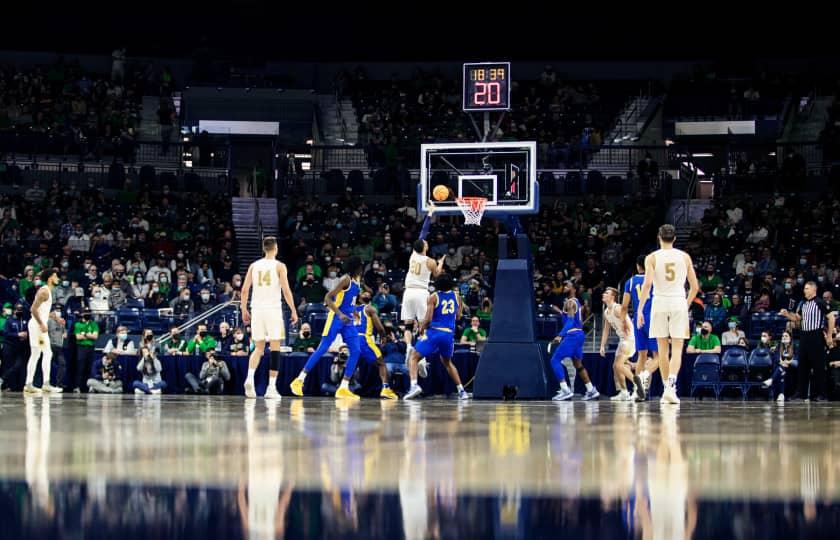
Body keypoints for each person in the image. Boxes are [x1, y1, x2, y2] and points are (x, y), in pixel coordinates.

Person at [637, 224, 700, 405]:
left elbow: (647, 285)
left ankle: (667, 389)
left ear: (659, 237)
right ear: (674, 238)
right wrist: (685, 305)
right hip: (678, 301)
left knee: (662, 351)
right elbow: (695, 287)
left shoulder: (652, 257)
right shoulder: (684, 257)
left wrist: (640, 309)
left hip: (659, 302)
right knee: (677, 349)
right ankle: (672, 387)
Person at [291, 257, 364, 400]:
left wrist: (354, 311)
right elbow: (328, 298)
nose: (362, 268)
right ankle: (299, 380)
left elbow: (349, 300)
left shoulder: (357, 280)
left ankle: (343, 387)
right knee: (323, 348)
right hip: (336, 317)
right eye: (360, 266)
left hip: (348, 319)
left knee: (356, 350)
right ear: (356, 267)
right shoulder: (345, 279)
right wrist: (340, 313)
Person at [241, 236, 298, 399]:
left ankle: (249, 377)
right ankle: (271, 388)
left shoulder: (254, 266)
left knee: (258, 347)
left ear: (264, 248)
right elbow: (286, 291)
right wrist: (293, 310)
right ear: (276, 248)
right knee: (274, 349)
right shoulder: (280, 266)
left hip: (257, 309)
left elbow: (244, 290)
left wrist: (243, 309)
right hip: (273, 309)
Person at [403, 274, 470, 400]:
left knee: (413, 357)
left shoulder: (434, 296)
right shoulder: (457, 296)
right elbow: (459, 316)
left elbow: (428, 318)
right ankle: (462, 390)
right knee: (448, 363)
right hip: (449, 334)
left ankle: (414, 386)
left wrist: (422, 328)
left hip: (435, 332)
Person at [401, 206, 445, 377]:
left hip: (408, 292)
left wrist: (430, 214)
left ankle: (408, 347)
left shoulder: (413, 254)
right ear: (424, 247)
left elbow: (423, 232)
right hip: (421, 293)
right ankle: (421, 358)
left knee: (408, 325)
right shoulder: (430, 260)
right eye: (426, 243)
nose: (426, 242)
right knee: (425, 327)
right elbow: (438, 275)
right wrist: (441, 262)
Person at [780, 281, 836, 400]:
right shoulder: (804, 303)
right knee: (802, 366)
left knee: (818, 367)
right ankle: (801, 394)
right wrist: (786, 314)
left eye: (807, 288)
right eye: (804, 288)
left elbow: (831, 317)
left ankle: (822, 394)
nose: (804, 290)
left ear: (813, 290)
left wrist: (830, 335)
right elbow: (796, 318)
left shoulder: (820, 302)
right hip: (804, 336)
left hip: (816, 336)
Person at [622, 255, 659, 399]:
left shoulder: (630, 282)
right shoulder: (655, 279)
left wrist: (624, 323)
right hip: (652, 318)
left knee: (642, 356)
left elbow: (624, 307)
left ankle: (636, 391)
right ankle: (644, 375)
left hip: (637, 319)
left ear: (638, 266)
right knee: (659, 356)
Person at [549, 298, 600, 401]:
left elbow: (571, 321)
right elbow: (575, 319)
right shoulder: (576, 302)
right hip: (579, 334)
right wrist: (560, 311)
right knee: (578, 365)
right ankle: (591, 390)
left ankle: (565, 390)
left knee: (555, 360)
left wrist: (560, 335)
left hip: (573, 335)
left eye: (567, 285)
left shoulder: (570, 303)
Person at [600, 287, 642, 402]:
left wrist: (627, 339)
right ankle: (624, 392)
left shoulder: (617, 308)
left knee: (619, 365)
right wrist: (602, 345)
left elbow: (627, 323)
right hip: (622, 339)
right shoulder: (606, 311)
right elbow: (606, 330)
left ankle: (638, 386)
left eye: (606, 293)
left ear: (612, 297)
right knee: (615, 367)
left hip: (629, 338)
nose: (604, 294)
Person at [23, 268, 62, 394]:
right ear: (50, 278)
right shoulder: (44, 291)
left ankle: (30, 383)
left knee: (37, 354)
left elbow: (43, 310)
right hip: (37, 326)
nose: (58, 278)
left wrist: (56, 317)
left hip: (37, 325)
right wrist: (41, 324)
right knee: (46, 353)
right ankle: (45, 384)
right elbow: (33, 309)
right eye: (56, 276)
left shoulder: (48, 291)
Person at [356, 292, 398, 399]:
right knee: (381, 363)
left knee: (352, 364)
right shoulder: (369, 309)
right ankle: (385, 389)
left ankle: (344, 387)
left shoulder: (352, 310)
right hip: (364, 338)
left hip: (353, 338)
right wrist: (383, 336)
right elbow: (380, 328)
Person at [762, 330, 796, 402]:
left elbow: (796, 361)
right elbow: (776, 359)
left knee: (782, 368)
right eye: (783, 336)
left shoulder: (795, 347)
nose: (784, 337)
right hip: (781, 370)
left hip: (791, 370)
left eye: (786, 336)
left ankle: (771, 380)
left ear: (790, 339)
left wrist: (788, 362)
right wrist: (783, 363)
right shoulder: (778, 347)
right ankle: (781, 394)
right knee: (782, 370)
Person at [73, 308, 99, 393]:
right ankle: (78, 386)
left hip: (91, 348)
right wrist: (89, 335)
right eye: (85, 313)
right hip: (81, 348)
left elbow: (95, 336)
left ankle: (89, 387)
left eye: (88, 312)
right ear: (82, 314)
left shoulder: (94, 324)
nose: (87, 314)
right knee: (80, 367)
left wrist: (85, 334)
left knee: (90, 367)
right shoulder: (78, 324)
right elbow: (78, 337)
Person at [47, 306, 68, 391]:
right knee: (47, 364)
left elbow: (64, 334)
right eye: (56, 310)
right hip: (50, 346)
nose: (58, 312)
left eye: (59, 311)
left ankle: (59, 383)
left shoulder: (61, 321)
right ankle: (46, 383)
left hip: (59, 346)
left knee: (62, 364)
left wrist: (64, 326)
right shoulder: (49, 321)